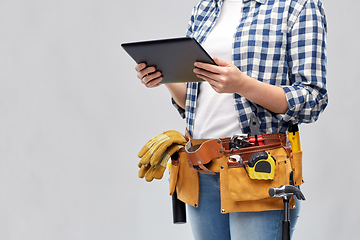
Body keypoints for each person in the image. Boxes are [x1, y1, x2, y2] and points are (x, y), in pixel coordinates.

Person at [134, 0, 328, 239]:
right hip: (201, 168)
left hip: (256, 170)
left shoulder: (297, 5)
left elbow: (312, 99)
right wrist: (165, 77)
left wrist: (243, 86)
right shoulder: (205, 7)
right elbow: (193, 103)